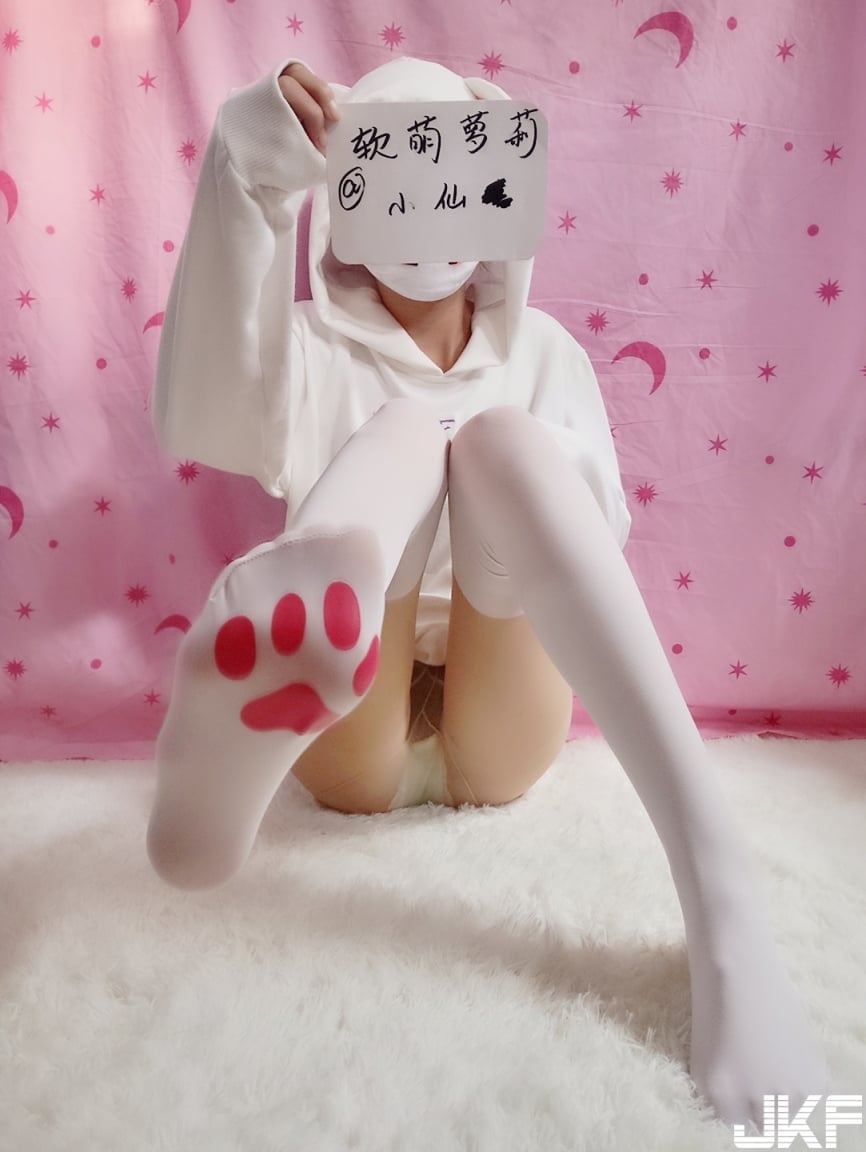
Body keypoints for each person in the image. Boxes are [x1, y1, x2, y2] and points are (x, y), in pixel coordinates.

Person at [146, 56, 830, 1130]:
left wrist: (490, 468)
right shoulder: (308, 346)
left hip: (497, 719)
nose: (429, 212)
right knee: (406, 433)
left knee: (505, 444)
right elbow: (203, 417)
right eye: (394, 177)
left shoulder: (548, 353)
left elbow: (591, 541)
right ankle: (296, 646)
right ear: (346, 201)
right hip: (356, 731)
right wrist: (249, 166)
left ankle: (722, 902)